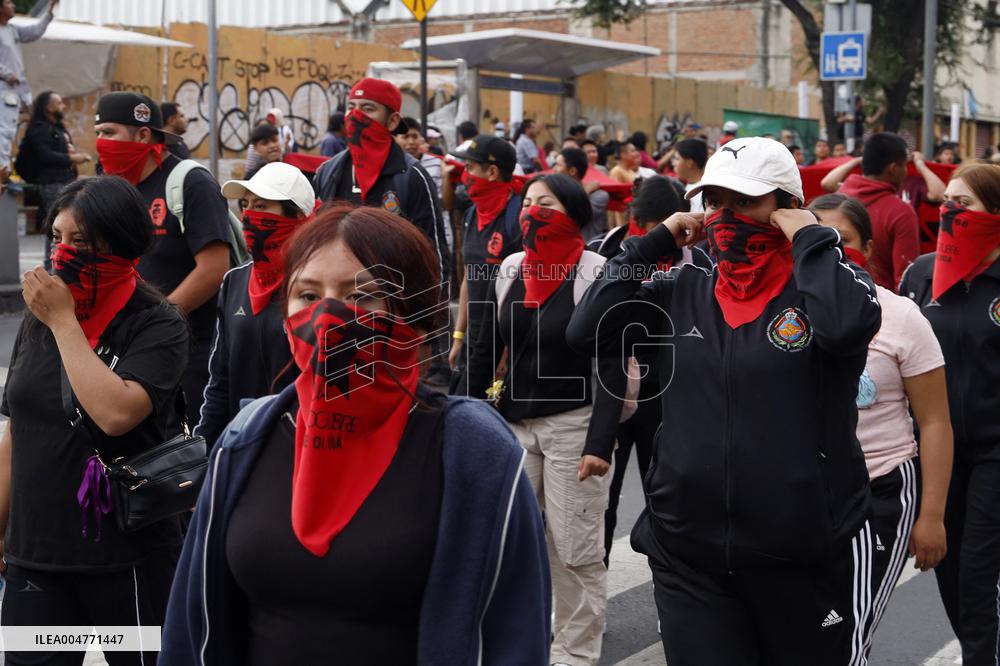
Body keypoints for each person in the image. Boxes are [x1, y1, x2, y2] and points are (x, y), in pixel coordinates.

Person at [160, 204, 551, 666]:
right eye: (307, 295)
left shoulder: (475, 450)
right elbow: (191, 625)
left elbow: (514, 637)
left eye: (362, 295)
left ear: (414, 314)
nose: (329, 315)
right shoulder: (246, 439)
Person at [568, 137, 882, 665]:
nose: (727, 216)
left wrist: (811, 240)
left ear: (786, 205)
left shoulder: (835, 283)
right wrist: (653, 244)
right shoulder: (681, 286)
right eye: (715, 201)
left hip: (800, 553)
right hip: (688, 554)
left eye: (745, 201)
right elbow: (585, 331)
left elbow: (846, 326)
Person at [1, 176, 190, 666]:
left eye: (81, 242)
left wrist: (65, 323)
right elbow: (15, 432)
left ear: (121, 241)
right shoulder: (38, 319)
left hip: (124, 558)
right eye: (58, 238)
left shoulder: (157, 322)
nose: (63, 254)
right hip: (36, 559)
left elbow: (115, 414)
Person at [466, 173, 617, 666]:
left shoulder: (597, 271)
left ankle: (574, 653)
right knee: (504, 537)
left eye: (545, 204)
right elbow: (487, 344)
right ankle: (515, 640)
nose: (531, 212)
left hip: (574, 424)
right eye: (527, 203)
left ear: (572, 212)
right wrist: (469, 415)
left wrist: (600, 442)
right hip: (513, 426)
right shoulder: (511, 267)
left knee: (574, 547)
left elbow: (611, 363)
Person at [811, 193, 953, 658]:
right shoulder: (780, 316)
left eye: (843, 240)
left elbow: (933, 422)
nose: (831, 251)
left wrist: (930, 517)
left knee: (847, 636)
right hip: (801, 494)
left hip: (881, 492)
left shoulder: (902, 318)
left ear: (868, 249)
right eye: (817, 239)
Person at [898, 163, 1000, 666]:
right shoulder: (920, 274)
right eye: (948, 203)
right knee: (946, 566)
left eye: (966, 205)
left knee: (979, 576)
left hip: (995, 454)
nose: (950, 212)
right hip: (935, 453)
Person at [585, 176, 712, 566]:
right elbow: (584, 323)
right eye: (647, 224)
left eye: (663, 224)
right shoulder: (601, 252)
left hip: (668, 394)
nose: (656, 235)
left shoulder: (700, 261)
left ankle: (671, 584)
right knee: (600, 498)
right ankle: (594, 580)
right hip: (612, 392)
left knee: (668, 498)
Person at [95, 91, 232, 425]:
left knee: (186, 454)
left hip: (189, 349)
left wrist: (160, 323)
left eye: (110, 132)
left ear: (143, 134)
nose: (101, 142)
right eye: (98, 133)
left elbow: (215, 268)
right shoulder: (112, 188)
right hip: (127, 349)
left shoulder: (190, 182)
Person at [195, 161, 315, 448]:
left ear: (298, 216)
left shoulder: (320, 285)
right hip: (242, 444)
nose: (248, 216)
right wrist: (206, 452)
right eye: (246, 205)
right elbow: (219, 382)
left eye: (262, 206)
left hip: (301, 447)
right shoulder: (235, 282)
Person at [312, 78, 449, 294]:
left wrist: (432, 322)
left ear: (393, 121)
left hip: (394, 306)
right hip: (337, 305)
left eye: (368, 109)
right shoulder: (327, 172)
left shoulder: (412, 176)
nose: (356, 116)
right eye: (351, 108)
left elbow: (434, 256)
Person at [447, 135, 522, 395]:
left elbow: (525, 291)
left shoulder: (518, 217)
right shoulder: (470, 215)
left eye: (469, 168)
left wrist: (506, 353)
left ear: (492, 172)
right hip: (473, 342)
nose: (464, 175)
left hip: (502, 346)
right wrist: (458, 337)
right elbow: (470, 276)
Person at [834, 132, 920, 290]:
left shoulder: (835, 201)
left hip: (833, 300)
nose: (906, 172)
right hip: (881, 308)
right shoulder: (901, 212)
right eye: (904, 165)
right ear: (893, 169)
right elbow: (906, 279)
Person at [18, 90, 90, 267]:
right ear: (49, 107)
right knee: (57, 226)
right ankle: (52, 266)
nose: (63, 106)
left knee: (63, 224)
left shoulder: (57, 127)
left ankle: (60, 265)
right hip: (51, 184)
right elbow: (46, 156)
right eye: (59, 103)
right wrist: (74, 158)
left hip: (64, 181)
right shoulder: (39, 129)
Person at [0, 0, 57, 168]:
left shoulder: (12, 30)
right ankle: (2, 172)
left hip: (15, 89)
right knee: (3, 132)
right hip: (4, 88)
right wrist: (7, 74)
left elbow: (35, 32)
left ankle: (4, 170)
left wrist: (49, 12)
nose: (13, 6)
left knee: (9, 132)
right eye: (9, 3)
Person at [556, 146, 610, 240]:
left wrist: (584, 192)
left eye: (558, 165)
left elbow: (572, 217)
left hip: (589, 249)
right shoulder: (554, 193)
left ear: (572, 171)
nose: (554, 169)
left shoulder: (599, 196)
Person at [398, 116, 444, 201]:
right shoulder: (391, 166)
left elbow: (444, 203)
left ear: (421, 139)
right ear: (395, 139)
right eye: (405, 137)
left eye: (415, 137)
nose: (411, 142)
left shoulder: (436, 163)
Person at [674, 138, 708, 213]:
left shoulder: (703, 192)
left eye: (677, 159)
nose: (673, 163)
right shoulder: (687, 187)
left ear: (689, 163)